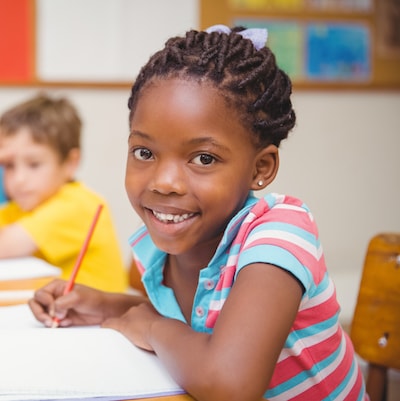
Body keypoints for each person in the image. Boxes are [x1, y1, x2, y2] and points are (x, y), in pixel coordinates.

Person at [29, 26, 368, 401]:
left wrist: (153, 327)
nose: (165, 182)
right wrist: (107, 306)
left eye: (204, 158)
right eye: (144, 152)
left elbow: (231, 384)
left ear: (261, 168)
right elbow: (201, 324)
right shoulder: (166, 247)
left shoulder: (280, 236)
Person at [0, 93, 128, 293]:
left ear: (70, 163)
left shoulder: (78, 205)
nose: (19, 179)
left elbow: (4, 246)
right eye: (8, 165)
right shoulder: (18, 209)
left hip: (100, 322)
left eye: (34, 165)